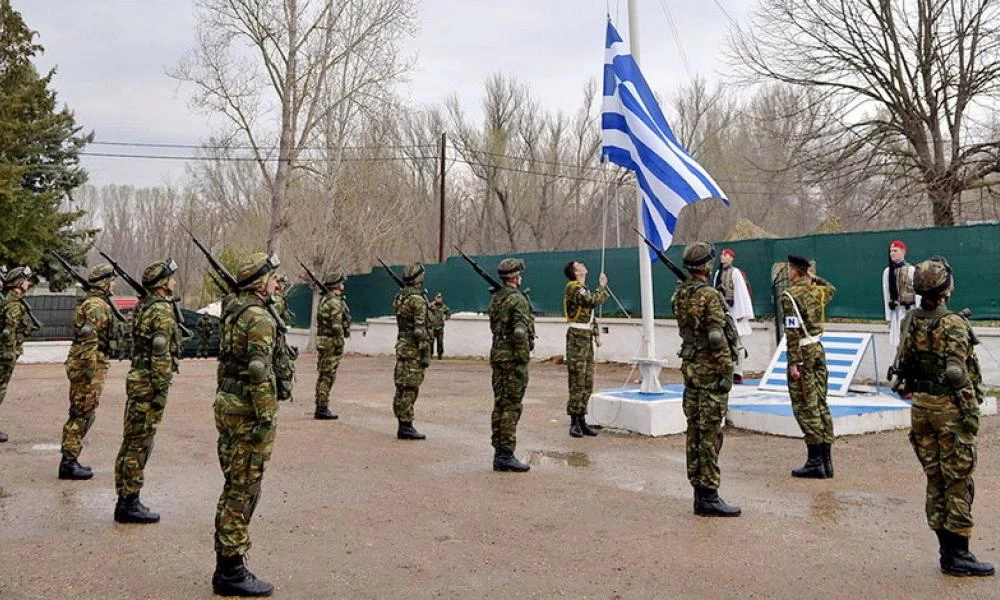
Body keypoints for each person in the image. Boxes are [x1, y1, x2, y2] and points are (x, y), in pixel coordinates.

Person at [897, 258, 994, 577]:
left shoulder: (911, 318)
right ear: (944, 289)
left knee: (935, 477)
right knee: (958, 480)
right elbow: (956, 372)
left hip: (921, 408)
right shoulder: (952, 323)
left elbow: (905, 361)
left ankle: (946, 551)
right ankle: (959, 555)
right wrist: (969, 411)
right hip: (949, 409)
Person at [212, 252, 282, 597]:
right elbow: (258, 370)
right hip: (248, 410)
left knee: (233, 484)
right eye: (272, 277)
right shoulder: (257, 317)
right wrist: (266, 415)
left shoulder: (234, 310)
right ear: (259, 282)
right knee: (244, 487)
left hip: (228, 403)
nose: (277, 282)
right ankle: (231, 571)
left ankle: (226, 561)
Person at [671, 243, 741, 517]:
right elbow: (715, 336)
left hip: (691, 370)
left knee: (695, 432)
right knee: (710, 433)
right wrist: (726, 369)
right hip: (710, 372)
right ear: (707, 265)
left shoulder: (680, 294)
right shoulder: (709, 295)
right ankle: (709, 494)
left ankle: (699, 492)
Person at [113, 259, 182, 524]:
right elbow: (161, 355)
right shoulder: (161, 311)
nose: (174, 281)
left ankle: (125, 497)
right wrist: (161, 388)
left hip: (138, 378)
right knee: (140, 442)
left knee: (131, 440)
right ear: (163, 284)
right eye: (171, 278)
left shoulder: (144, 307)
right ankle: (129, 502)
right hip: (149, 383)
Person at [59, 264, 118, 480]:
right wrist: (89, 373)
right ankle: (69, 461)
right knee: (82, 414)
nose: (113, 284)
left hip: (87, 364)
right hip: (88, 366)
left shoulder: (95, 303)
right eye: (111, 280)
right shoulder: (96, 306)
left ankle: (69, 459)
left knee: (80, 413)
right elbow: (88, 342)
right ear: (104, 282)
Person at [780, 255, 836, 479]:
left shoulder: (790, 296)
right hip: (817, 349)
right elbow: (831, 288)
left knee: (806, 404)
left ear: (795, 271)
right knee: (821, 402)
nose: (788, 273)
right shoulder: (818, 291)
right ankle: (827, 461)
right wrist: (815, 278)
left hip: (802, 353)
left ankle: (815, 461)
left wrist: (793, 362)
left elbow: (792, 331)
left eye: (789, 269)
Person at [489, 258, 533, 472]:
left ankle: (499, 451)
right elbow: (519, 332)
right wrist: (522, 358)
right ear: (515, 277)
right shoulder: (517, 300)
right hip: (513, 358)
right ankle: (506, 454)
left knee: (500, 403)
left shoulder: (497, 298)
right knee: (512, 406)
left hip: (498, 355)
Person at [562, 260, 609, 438]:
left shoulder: (583, 287)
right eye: (579, 264)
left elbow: (590, 316)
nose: (583, 265)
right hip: (576, 337)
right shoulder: (574, 287)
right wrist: (602, 287)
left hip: (585, 336)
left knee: (587, 380)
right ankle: (574, 421)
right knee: (577, 380)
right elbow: (591, 302)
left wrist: (596, 333)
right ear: (575, 271)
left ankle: (582, 419)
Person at [0, 266, 38, 443]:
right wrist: (8, 352)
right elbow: (8, 332)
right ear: (19, 283)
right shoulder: (14, 305)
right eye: (26, 280)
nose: (28, 284)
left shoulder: (11, 301)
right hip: (5, 354)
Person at [393, 264, 430, 440]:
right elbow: (418, 330)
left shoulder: (400, 297)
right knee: (410, 387)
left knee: (401, 385)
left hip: (402, 345)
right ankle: (406, 425)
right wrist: (424, 350)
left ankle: (402, 422)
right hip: (413, 348)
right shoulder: (417, 300)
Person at [712, 248, 754, 383]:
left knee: (737, 343)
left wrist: (741, 314)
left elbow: (741, 293)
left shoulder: (735, 273)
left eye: (726, 255)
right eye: (722, 255)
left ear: (731, 258)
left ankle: (738, 372)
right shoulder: (718, 272)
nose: (723, 257)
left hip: (734, 312)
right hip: (723, 311)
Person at [314, 272, 349, 420]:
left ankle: (320, 404)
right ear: (337, 285)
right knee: (328, 376)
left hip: (323, 341)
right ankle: (322, 407)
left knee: (323, 375)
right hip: (330, 342)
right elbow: (336, 326)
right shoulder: (334, 302)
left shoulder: (324, 300)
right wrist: (340, 342)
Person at [882, 240, 919, 352]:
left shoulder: (911, 270)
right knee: (898, 341)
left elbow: (917, 293)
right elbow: (886, 294)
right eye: (890, 251)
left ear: (903, 252)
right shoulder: (888, 271)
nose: (892, 253)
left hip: (909, 310)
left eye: (895, 251)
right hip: (896, 311)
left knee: (911, 339)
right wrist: (888, 317)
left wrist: (918, 313)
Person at [271, 274, 297, 402]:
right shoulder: (277, 300)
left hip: (278, 338)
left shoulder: (278, 299)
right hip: (275, 339)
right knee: (280, 368)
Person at [427, 292, 450, 359]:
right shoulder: (431, 305)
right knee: (431, 342)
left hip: (440, 327)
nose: (439, 299)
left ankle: (440, 355)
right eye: (437, 297)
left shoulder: (444, 306)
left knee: (440, 342)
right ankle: (430, 355)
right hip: (432, 327)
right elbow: (425, 310)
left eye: (440, 298)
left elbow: (448, 312)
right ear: (435, 298)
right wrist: (430, 306)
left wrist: (446, 318)